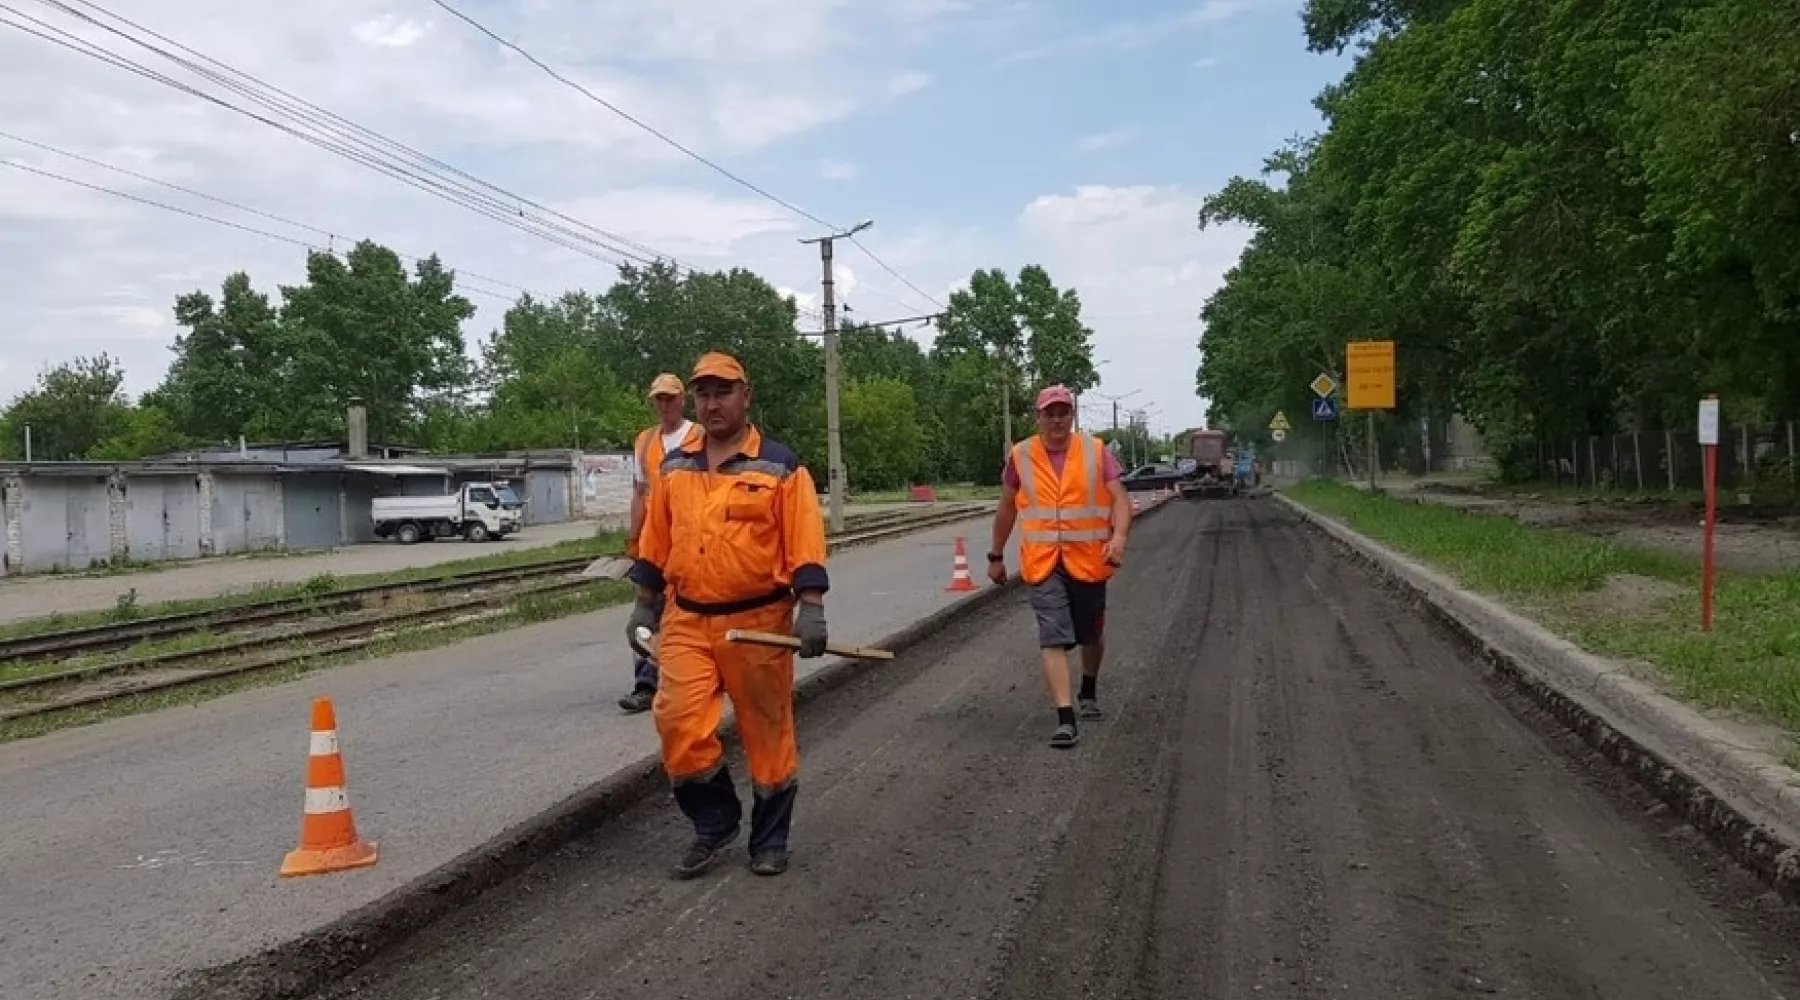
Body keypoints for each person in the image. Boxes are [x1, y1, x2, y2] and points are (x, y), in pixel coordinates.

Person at [627, 351, 830, 879]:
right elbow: (656, 540)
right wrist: (643, 603)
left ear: (746, 395)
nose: (712, 404)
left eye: (723, 392)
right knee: (677, 721)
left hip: (759, 623)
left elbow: (805, 541)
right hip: (687, 619)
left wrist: (811, 610)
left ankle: (770, 838)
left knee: (767, 733)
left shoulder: (781, 468)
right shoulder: (675, 467)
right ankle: (715, 822)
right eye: (704, 394)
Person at [986, 385, 1132, 749]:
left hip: (1089, 559)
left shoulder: (1096, 451)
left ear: (1072, 415)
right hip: (1043, 563)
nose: (1056, 420)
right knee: (1052, 637)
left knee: (1090, 635)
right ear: (1038, 418)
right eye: (1049, 413)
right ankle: (1065, 718)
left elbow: (1120, 499)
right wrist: (995, 555)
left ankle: (1088, 689)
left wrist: (1119, 538)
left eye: (1063, 412)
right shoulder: (1020, 456)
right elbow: (1006, 508)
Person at [618, 373, 703, 714]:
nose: (664, 404)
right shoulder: (645, 441)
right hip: (655, 543)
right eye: (659, 399)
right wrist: (634, 538)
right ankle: (646, 683)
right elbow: (640, 493)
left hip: (691, 539)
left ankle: (685, 677)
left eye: (670, 398)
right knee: (645, 612)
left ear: (682, 399)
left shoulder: (699, 435)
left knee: (684, 611)